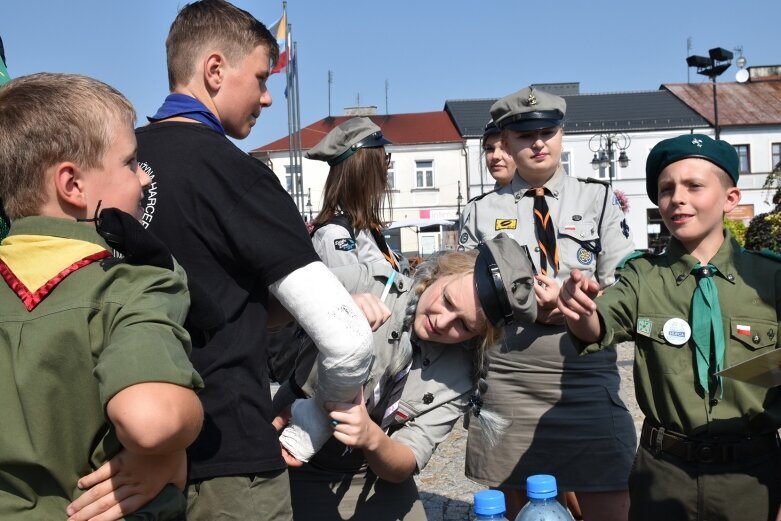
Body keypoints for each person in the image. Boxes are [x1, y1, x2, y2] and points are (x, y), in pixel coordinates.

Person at [98, 2, 374, 520]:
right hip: (228, 458)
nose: (268, 97)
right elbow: (347, 340)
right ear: (215, 70)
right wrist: (311, 422)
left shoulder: (110, 170)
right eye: (261, 78)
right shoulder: (237, 174)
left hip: (125, 458)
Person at [0, 73, 204, 520]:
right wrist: (175, 446)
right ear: (72, 185)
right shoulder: (130, 285)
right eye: (131, 164)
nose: (144, 181)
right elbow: (151, 421)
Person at [558, 133, 781, 521]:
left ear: (731, 198)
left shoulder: (770, 279)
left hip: (754, 476)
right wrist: (581, 313)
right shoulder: (642, 277)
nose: (677, 197)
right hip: (664, 475)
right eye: (666, 189)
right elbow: (600, 323)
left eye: (694, 186)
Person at [459, 86, 636, 521]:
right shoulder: (479, 213)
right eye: (524, 135)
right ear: (506, 140)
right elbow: (464, 297)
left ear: (561, 135)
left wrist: (579, 303)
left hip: (585, 371)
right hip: (510, 376)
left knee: (610, 498)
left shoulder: (598, 199)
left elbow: (625, 283)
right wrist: (524, 306)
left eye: (548, 132)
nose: (538, 143)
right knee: (520, 509)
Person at [273, 235, 538, 520]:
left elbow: (403, 464)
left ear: (477, 337)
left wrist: (371, 439)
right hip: (289, 443)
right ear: (441, 271)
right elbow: (267, 306)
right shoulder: (372, 283)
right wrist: (333, 306)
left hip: (369, 472)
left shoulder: (459, 378)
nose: (441, 321)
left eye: (463, 325)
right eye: (447, 300)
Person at [306, 117, 398, 269]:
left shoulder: (366, 227)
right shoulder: (336, 235)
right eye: (382, 160)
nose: (386, 168)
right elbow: (350, 291)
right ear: (362, 169)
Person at [482, 120, 516, 188]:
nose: (495, 156)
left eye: (505, 148)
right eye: (489, 148)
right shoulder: (487, 199)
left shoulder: (539, 198)